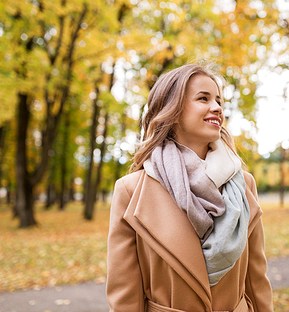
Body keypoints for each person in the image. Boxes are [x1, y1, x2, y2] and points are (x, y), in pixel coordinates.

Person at [106, 63, 273, 312]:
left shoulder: (243, 184)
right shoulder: (131, 190)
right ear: (171, 109)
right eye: (203, 98)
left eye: (219, 100)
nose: (216, 107)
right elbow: (125, 296)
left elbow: (256, 281)